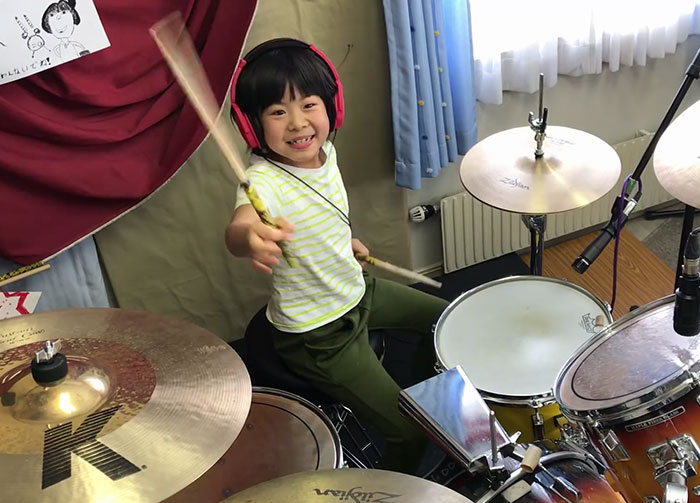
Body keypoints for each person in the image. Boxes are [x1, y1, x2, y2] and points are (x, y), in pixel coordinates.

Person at [225, 38, 449, 475]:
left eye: (308, 105)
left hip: (357, 288)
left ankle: (415, 391)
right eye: (277, 112)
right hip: (319, 332)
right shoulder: (262, 181)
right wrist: (247, 237)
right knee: (408, 433)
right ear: (252, 126)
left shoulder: (326, 154)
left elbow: (321, 215)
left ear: (332, 107)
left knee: (445, 321)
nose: (297, 123)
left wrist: (344, 242)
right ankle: (391, 489)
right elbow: (240, 225)